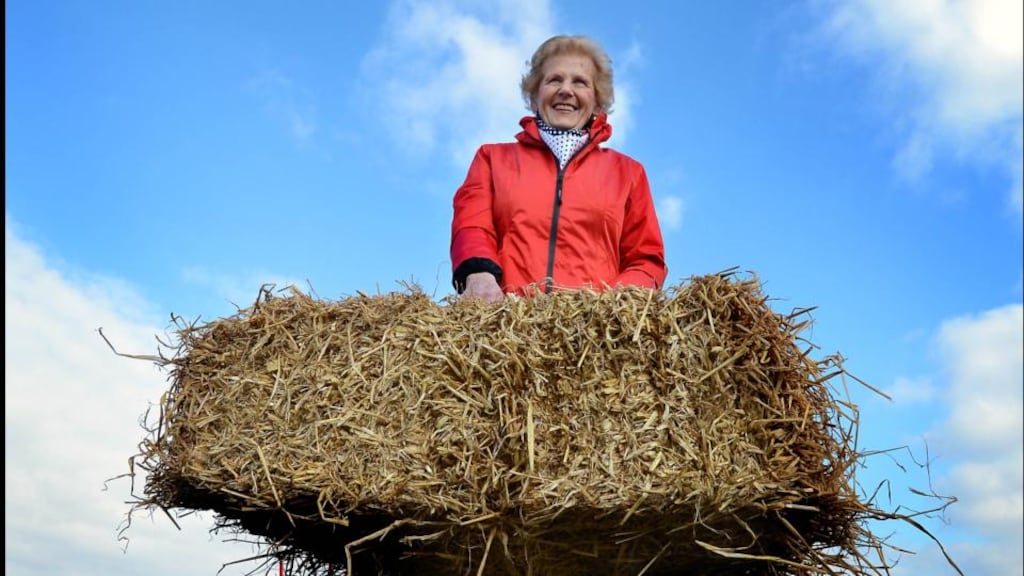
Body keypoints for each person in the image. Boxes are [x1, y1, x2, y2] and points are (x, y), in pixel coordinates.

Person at [450, 34, 667, 302]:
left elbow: (646, 259)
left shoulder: (629, 173)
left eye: (580, 82)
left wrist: (609, 307)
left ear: (597, 102)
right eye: (554, 80)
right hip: (506, 324)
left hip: (593, 332)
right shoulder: (492, 159)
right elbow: (473, 226)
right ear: (534, 96)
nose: (566, 90)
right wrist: (479, 272)